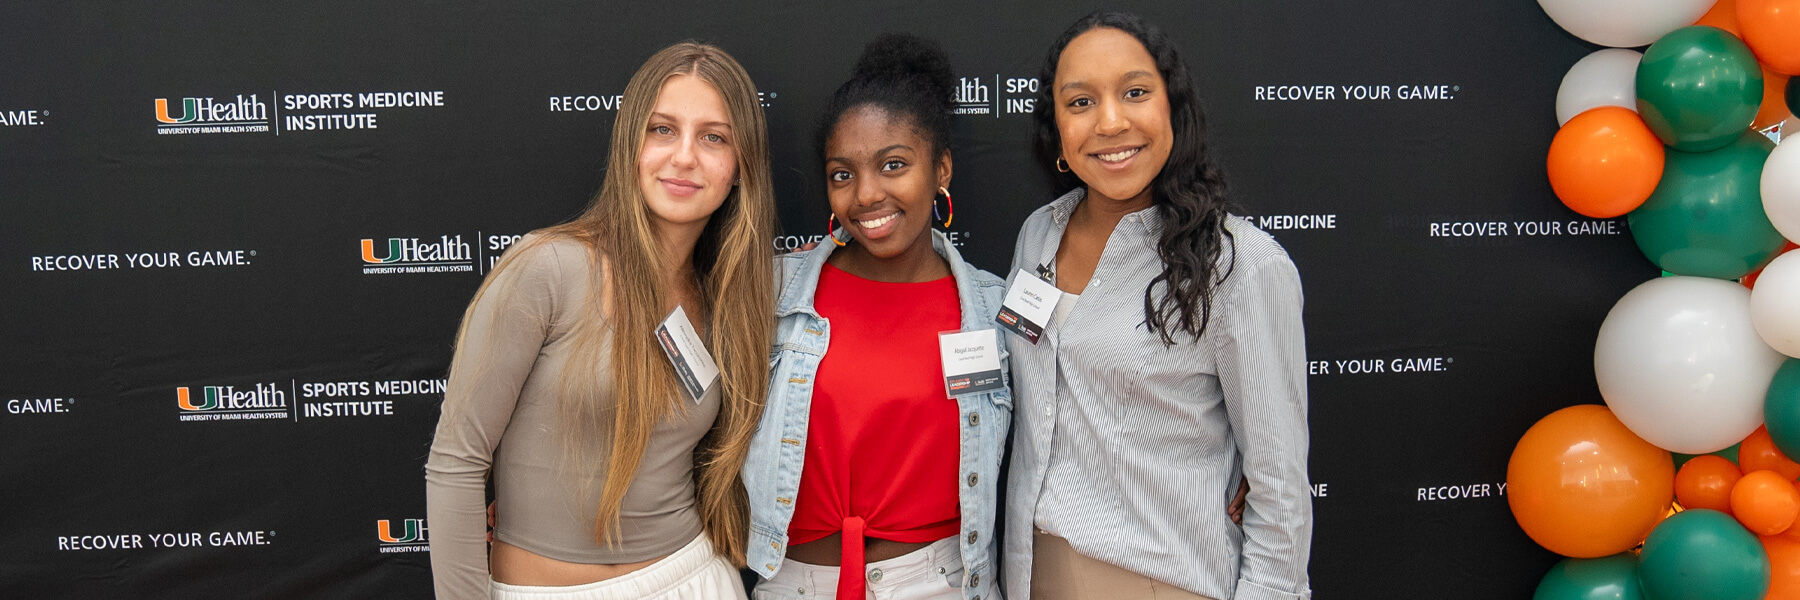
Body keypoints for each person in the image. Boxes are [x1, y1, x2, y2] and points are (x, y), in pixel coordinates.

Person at [425, 42, 776, 600]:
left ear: (740, 168)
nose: (684, 156)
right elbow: (456, 464)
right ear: (629, 144)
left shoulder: (723, 297)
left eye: (714, 137)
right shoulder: (548, 267)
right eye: (662, 129)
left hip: (694, 578)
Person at [1002, 11, 1312, 600]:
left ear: (1174, 108)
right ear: (1058, 131)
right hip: (1033, 574)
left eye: (1135, 93)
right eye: (1080, 102)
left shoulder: (1241, 263)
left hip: (1166, 579)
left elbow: (1279, 490)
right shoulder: (1038, 235)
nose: (1111, 122)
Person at [742, 33, 1012, 600]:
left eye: (893, 165)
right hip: (793, 584)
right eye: (843, 174)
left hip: (941, 584)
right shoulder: (772, 292)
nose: (867, 194)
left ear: (941, 169)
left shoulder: (990, 309)